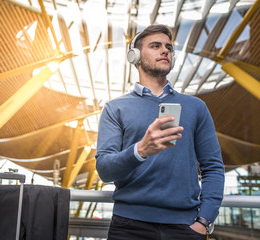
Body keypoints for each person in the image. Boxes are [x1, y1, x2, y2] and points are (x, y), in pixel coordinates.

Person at [95, 24, 224, 240]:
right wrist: (141, 150)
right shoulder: (115, 108)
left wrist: (204, 221)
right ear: (134, 56)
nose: (165, 51)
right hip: (128, 227)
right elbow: (105, 170)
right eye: (155, 46)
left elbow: (213, 167)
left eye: (168, 47)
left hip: (186, 228)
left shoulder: (196, 107)